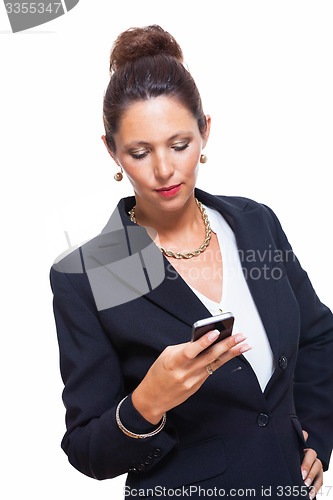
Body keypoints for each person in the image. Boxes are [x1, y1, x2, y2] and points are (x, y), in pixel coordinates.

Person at [50, 25, 333, 499]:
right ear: (112, 152)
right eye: (140, 152)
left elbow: (318, 336)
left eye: (179, 144)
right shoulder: (93, 273)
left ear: (205, 130)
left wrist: (318, 437)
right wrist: (147, 402)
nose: (164, 170)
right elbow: (86, 448)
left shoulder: (254, 224)